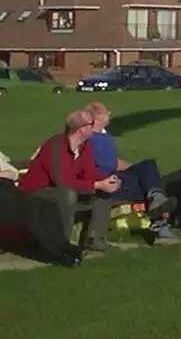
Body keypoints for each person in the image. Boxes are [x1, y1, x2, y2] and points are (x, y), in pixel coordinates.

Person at [17, 108, 121, 253]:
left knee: (102, 192)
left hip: (62, 188)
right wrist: (97, 184)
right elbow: (62, 181)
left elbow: (89, 172)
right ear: (81, 128)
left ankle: (95, 239)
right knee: (68, 194)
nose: (95, 127)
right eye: (91, 124)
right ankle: (62, 243)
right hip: (37, 191)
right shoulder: (55, 146)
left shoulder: (85, 146)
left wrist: (106, 180)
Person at [81, 101, 181, 245]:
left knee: (147, 168)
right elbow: (109, 164)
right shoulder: (94, 139)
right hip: (106, 184)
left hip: (109, 179)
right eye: (106, 113)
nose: (110, 114)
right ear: (96, 118)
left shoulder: (97, 136)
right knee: (148, 180)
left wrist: (137, 170)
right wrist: (138, 172)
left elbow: (112, 162)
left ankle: (157, 199)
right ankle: (162, 227)